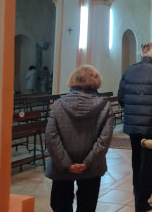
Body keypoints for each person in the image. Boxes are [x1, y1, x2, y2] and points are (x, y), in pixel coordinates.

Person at [45, 65, 113, 212]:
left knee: (61, 205)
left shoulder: (58, 105)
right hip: (92, 166)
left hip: (61, 167)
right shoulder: (104, 106)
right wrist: (86, 163)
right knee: (87, 206)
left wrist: (66, 163)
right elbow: (104, 140)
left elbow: (51, 138)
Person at [118, 43, 152, 212]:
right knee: (147, 162)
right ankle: (142, 202)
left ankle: (138, 196)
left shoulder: (129, 70)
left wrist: (131, 112)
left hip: (133, 124)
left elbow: (121, 96)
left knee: (136, 160)